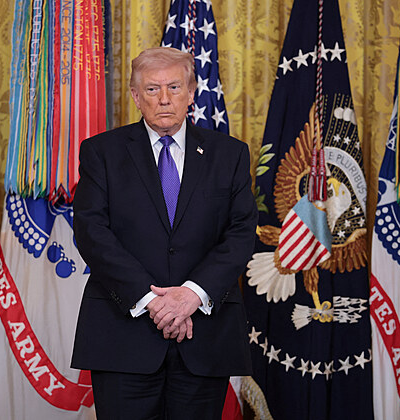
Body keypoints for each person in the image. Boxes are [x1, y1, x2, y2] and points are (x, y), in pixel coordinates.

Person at [71, 46, 258, 419]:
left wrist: (192, 295)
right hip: (123, 336)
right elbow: (92, 233)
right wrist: (152, 301)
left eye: (174, 87)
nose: (164, 99)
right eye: (152, 89)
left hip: (205, 335)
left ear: (191, 93)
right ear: (136, 96)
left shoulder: (230, 154)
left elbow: (241, 233)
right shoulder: (101, 152)